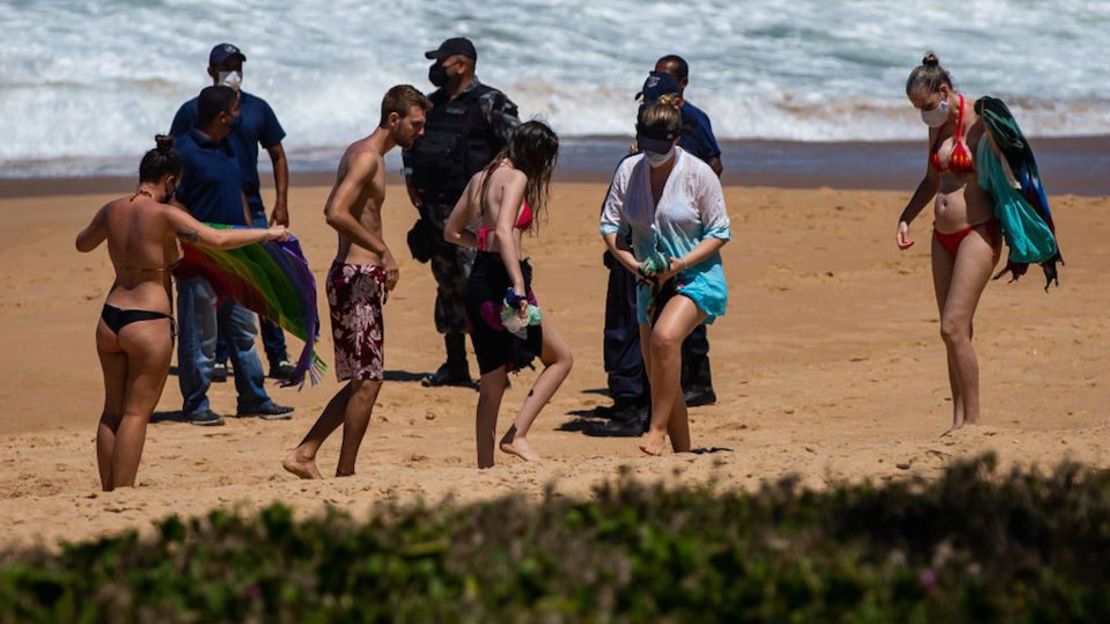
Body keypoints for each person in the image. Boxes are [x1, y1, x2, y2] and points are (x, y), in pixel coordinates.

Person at [76, 135, 288, 490]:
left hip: (111, 316)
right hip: (148, 321)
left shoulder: (112, 209)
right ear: (170, 181)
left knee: (112, 410)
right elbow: (218, 240)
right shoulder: (167, 215)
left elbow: (82, 244)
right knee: (135, 413)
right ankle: (123, 493)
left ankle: (106, 489)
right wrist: (267, 233)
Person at [283, 85, 432, 479]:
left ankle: (306, 452)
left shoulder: (363, 153)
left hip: (354, 277)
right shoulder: (366, 158)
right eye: (416, 124)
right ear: (394, 119)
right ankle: (344, 473)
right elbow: (334, 211)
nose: (421, 132)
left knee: (362, 381)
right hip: (355, 277)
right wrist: (383, 250)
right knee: (368, 383)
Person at [600, 99, 731, 456]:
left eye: (661, 146)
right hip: (647, 278)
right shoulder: (629, 170)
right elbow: (610, 225)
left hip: (696, 275)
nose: (653, 153)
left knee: (664, 339)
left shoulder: (698, 173)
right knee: (658, 370)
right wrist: (631, 264)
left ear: (676, 139)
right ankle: (684, 454)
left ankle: (655, 430)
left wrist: (680, 263)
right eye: (646, 145)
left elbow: (720, 231)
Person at [444, 121, 572, 468]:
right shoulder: (516, 178)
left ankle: (484, 466)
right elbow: (503, 230)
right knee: (560, 359)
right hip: (504, 282)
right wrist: (518, 284)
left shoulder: (480, 178)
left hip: (479, 282)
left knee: (491, 383)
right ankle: (517, 435)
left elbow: (452, 231)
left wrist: (482, 245)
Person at [897, 53, 1009, 435]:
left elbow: (1013, 175)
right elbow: (931, 180)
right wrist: (906, 216)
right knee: (956, 332)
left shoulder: (981, 122)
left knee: (952, 326)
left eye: (927, 106)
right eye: (917, 110)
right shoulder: (938, 124)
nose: (924, 115)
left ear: (944, 91)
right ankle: (958, 420)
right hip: (941, 236)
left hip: (978, 231)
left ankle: (974, 422)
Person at [170, 42, 296, 382]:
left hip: (250, 211)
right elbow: (174, 161)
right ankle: (219, 358)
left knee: (261, 283)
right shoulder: (191, 111)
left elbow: (277, 154)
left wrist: (280, 202)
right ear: (210, 71)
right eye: (226, 65)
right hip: (206, 212)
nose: (233, 71)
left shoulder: (256, 109)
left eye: (237, 64)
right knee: (214, 285)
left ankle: (278, 354)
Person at [403, 37, 521, 387]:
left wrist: (499, 188)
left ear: (463, 64)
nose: (437, 68)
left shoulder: (489, 102)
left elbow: (518, 143)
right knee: (448, 288)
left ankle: (497, 367)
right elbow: (411, 145)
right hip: (436, 215)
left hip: (474, 215)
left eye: (443, 61)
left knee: (480, 289)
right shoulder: (432, 105)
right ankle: (455, 364)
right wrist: (410, 177)